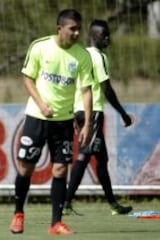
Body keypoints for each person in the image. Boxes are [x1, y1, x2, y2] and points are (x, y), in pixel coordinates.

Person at [9, 9, 93, 235]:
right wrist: (41, 104)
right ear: (60, 28)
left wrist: (87, 124)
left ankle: (56, 223)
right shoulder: (40, 47)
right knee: (26, 168)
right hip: (37, 117)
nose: (76, 33)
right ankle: (18, 214)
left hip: (64, 122)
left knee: (60, 170)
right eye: (72, 29)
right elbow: (27, 78)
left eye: (78, 29)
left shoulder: (82, 56)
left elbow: (86, 90)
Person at [63, 19, 134, 216]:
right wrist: (122, 113)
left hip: (79, 111)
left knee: (101, 159)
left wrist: (72, 114)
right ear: (95, 37)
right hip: (91, 112)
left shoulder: (81, 55)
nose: (108, 38)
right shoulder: (98, 57)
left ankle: (113, 204)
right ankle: (66, 202)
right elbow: (106, 88)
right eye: (105, 35)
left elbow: (72, 86)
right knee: (84, 156)